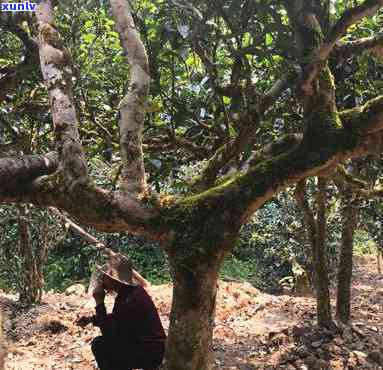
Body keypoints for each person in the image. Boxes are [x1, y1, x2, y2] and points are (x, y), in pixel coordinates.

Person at [76, 253, 166, 370]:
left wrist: (99, 303)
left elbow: (109, 332)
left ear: (115, 279)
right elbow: (117, 320)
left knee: (101, 345)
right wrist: (91, 319)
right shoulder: (130, 293)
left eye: (106, 277)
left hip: (150, 352)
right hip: (150, 347)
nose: (102, 280)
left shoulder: (129, 299)